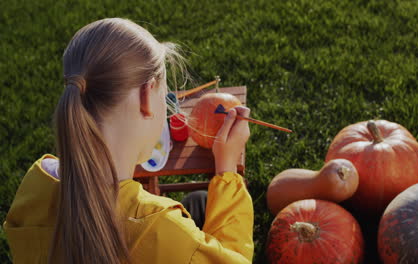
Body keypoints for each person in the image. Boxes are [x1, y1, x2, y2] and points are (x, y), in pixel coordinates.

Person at [3, 18, 253, 263]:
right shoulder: (161, 228)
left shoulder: (35, 184)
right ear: (146, 96)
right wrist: (227, 170)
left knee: (198, 202)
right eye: (164, 96)